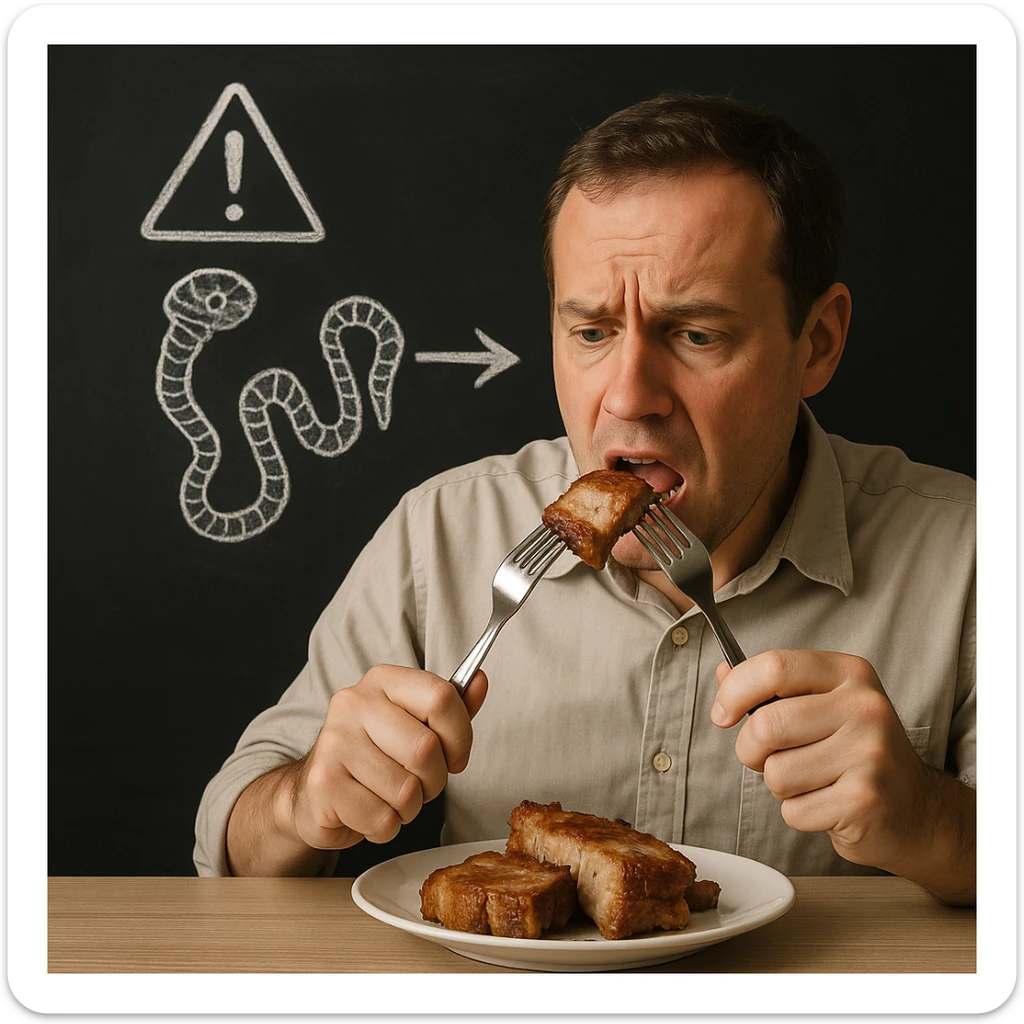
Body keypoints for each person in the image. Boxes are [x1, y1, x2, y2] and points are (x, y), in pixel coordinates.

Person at [194, 93, 975, 905]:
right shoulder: (443, 532)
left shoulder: (970, 554)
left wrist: (932, 817)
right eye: (593, 332)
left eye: (695, 334)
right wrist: (305, 801)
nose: (629, 397)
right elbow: (233, 841)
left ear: (816, 344)